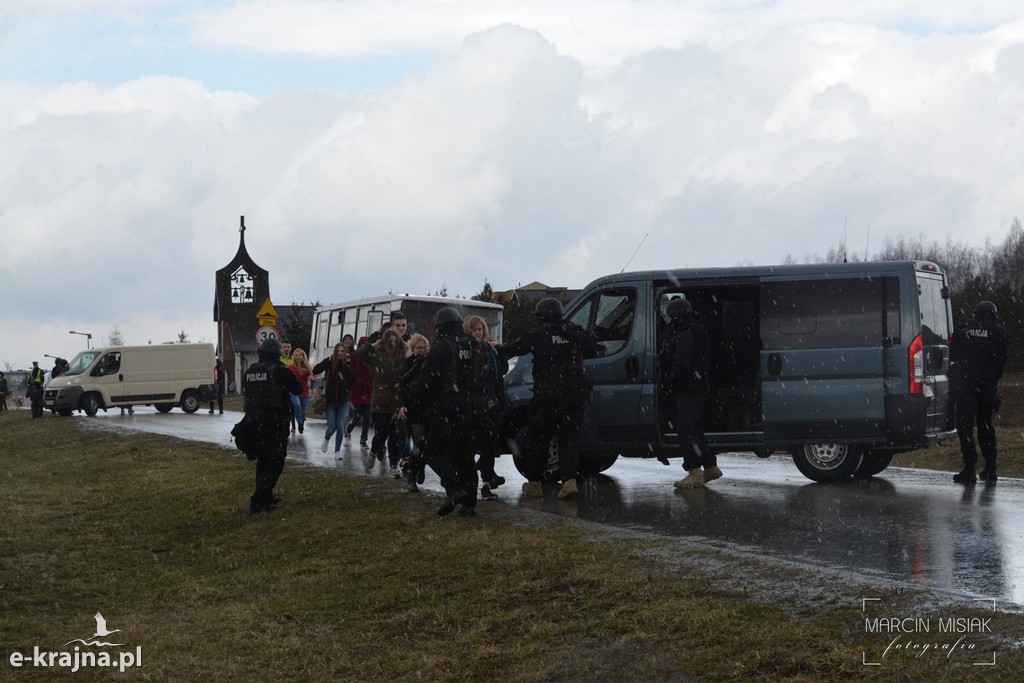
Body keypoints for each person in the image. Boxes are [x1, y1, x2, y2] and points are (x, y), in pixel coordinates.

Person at [499, 298, 598, 500]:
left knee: (539, 438)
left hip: (548, 394)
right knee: (568, 438)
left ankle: (535, 483)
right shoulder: (574, 331)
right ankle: (569, 481)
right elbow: (592, 348)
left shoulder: (540, 334)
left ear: (542, 316)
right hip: (574, 393)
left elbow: (514, 349)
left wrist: (497, 349)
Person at [417, 307, 485, 516]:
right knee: (465, 456)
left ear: (441, 326)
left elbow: (426, 384)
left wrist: (425, 408)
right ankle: (470, 504)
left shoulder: (441, 348)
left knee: (433, 453)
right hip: (472, 407)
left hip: (448, 408)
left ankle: (454, 489)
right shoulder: (474, 345)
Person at [659, 298, 718, 489]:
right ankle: (710, 466)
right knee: (694, 428)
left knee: (686, 429)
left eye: (671, 316)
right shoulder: (696, 329)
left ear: (677, 315)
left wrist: (669, 381)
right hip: (698, 387)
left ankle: (694, 471)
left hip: (689, 388)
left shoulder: (685, 334)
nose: (669, 320)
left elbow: (681, 364)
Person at [950, 300, 1008, 484]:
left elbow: (954, 357)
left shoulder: (963, 331)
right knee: (985, 425)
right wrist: (991, 378)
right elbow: (1002, 361)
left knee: (965, 427)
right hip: (986, 386)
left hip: (966, 386)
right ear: (993, 314)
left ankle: (969, 468)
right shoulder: (999, 332)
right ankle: (990, 468)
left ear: (976, 314)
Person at [242, 337, 303, 514]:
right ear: (277, 353)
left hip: (253, 422)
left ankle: (266, 497)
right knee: (276, 460)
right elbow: (298, 389)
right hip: (274, 421)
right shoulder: (279, 370)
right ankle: (259, 499)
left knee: (263, 459)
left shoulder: (251, 371)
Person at [464, 315, 507, 501]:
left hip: (493, 403)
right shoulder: (467, 351)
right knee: (471, 445)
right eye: (474, 330)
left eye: (480, 329)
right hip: (474, 404)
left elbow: (502, 370)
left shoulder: (491, 350)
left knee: (490, 446)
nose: (477, 333)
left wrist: (500, 351)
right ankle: (468, 482)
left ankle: (487, 483)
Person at [356, 329, 408, 474]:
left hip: (396, 400)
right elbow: (358, 355)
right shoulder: (376, 356)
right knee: (382, 433)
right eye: (389, 341)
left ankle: (393, 465)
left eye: (394, 341)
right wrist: (373, 345)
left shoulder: (402, 356)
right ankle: (373, 451)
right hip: (379, 401)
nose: (392, 344)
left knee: (395, 434)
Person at [397, 334, 431, 491]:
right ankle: (412, 474)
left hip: (429, 408)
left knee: (428, 445)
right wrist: (402, 405)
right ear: (412, 349)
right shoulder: (409, 364)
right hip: (414, 409)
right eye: (419, 348)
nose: (422, 351)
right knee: (419, 442)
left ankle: (419, 466)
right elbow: (401, 386)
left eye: (425, 348)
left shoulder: (431, 363)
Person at [313, 342, 354, 456]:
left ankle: (337, 451)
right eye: (338, 351)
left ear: (345, 353)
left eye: (342, 351)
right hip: (330, 401)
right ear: (334, 352)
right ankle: (326, 438)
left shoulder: (347, 364)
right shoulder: (330, 363)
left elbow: (352, 382)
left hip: (343, 401)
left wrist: (349, 367)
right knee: (332, 427)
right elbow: (315, 370)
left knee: (340, 426)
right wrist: (328, 361)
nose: (340, 354)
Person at [345, 336, 373, 450]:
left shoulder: (372, 358)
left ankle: (363, 440)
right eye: (362, 346)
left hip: (369, 392)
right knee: (356, 416)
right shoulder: (353, 357)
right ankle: (351, 425)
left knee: (367, 417)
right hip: (356, 391)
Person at [288, 349, 315, 434]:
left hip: (304, 391)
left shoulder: (307, 367)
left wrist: (312, 378)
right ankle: (299, 423)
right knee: (297, 405)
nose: (299, 357)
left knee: (303, 412)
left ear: (303, 356)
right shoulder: (290, 367)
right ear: (294, 357)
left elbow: (314, 378)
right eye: (297, 355)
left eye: (300, 355)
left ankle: (301, 425)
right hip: (294, 391)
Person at [280, 341, 297, 433]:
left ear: (290, 348)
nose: (286, 348)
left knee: (293, 406)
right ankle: (284, 424)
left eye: (288, 347)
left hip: (291, 387)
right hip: (281, 388)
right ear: (282, 348)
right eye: (284, 347)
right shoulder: (278, 359)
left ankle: (293, 425)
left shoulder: (294, 360)